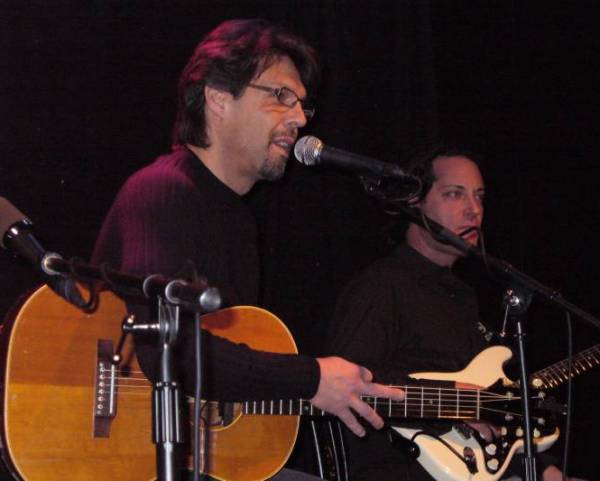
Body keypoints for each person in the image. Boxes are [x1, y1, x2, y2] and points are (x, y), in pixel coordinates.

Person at [91, 18, 404, 480]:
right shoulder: (163, 191)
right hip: (129, 457)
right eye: (280, 96)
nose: (298, 119)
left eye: (302, 105)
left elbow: (228, 372)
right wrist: (312, 379)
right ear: (218, 98)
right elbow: (166, 349)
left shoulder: (238, 221)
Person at [326, 145, 571, 481]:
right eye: (455, 194)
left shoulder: (462, 297)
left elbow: (489, 405)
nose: (474, 210)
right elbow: (349, 383)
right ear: (415, 202)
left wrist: (543, 467)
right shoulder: (382, 285)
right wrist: (451, 403)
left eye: (480, 197)